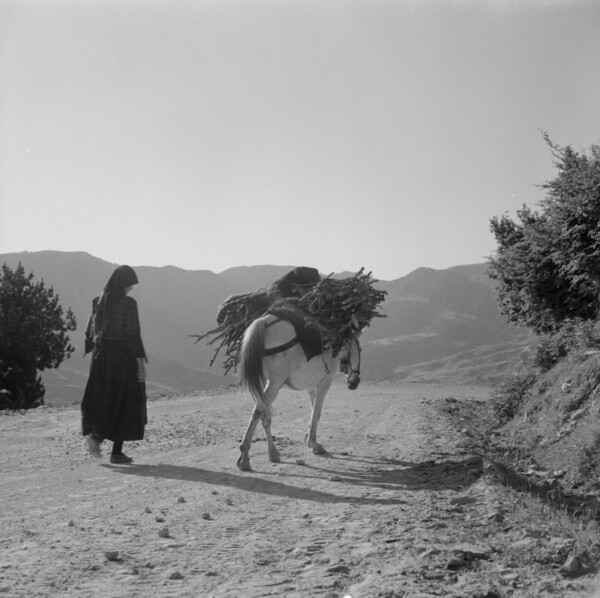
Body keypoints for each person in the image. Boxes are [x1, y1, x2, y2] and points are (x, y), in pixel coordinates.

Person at [81, 265, 148, 464]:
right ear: (123, 284)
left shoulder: (97, 301)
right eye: (130, 285)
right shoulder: (129, 304)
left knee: (103, 400)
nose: (131, 289)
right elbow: (133, 334)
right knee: (126, 402)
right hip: (123, 358)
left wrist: (93, 353)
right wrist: (140, 364)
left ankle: (96, 436)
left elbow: (89, 332)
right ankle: (116, 452)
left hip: (101, 358)